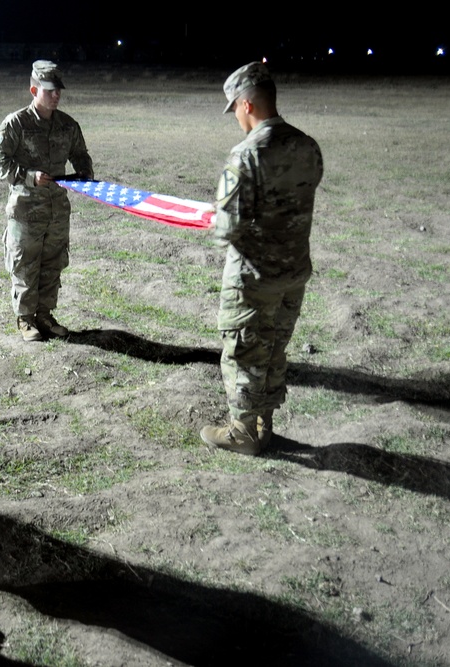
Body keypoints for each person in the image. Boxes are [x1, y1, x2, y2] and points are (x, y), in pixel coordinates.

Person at [200, 62, 324, 456]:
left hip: (254, 277)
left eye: (234, 108)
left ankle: (243, 432)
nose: (235, 116)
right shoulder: (307, 145)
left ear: (247, 104)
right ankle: (263, 422)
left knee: (244, 350)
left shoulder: (247, 154)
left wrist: (214, 214)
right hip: (293, 271)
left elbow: (225, 231)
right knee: (273, 347)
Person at [0, 60, 93, 342]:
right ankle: (25, 320)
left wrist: (85, 173)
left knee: (52, 264)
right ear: (34, 89)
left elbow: (81, 154)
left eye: (58, 90)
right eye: (49, 90)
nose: (56, 95)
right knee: (25, 264)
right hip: (26, 210)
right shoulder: (16, 124)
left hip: (57, 210)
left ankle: (45, 316)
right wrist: (28, 176)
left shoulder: (67, 125)